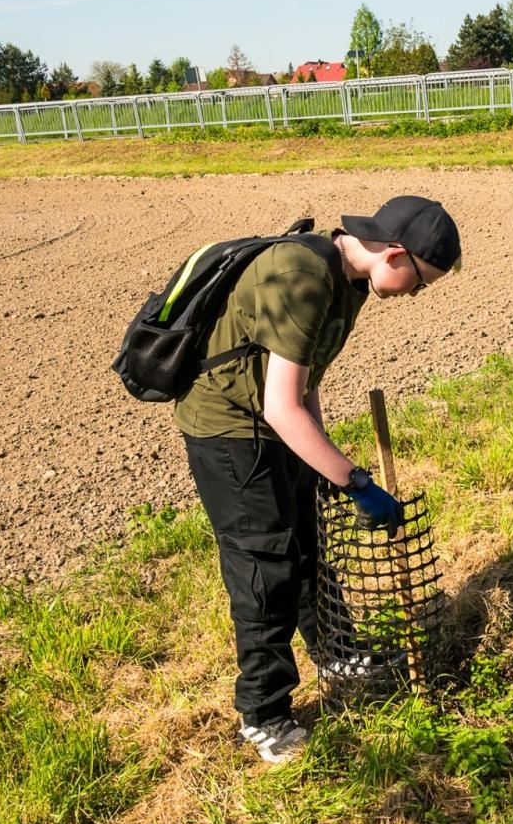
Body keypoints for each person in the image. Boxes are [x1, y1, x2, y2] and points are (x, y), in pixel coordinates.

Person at [172, 195, 462, 764]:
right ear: (396, 255)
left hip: (270, 420)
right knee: (265, 566)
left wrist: (321, 459)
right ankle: (264, 713)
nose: (415, 295)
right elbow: (281, 407)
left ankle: (335, 653)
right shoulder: (304, 275)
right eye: (420, 283)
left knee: (306, 546)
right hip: (229, 426)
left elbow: (304, 384)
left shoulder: (345, 282)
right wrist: (354, 480)